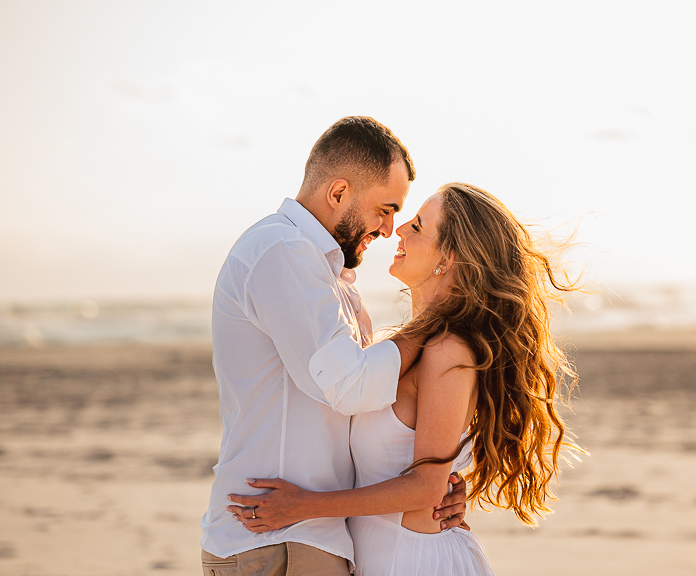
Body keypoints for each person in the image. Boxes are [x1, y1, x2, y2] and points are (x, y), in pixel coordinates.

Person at [228, 183, 582, 575]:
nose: (398, 230)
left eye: (417, 226)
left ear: (447, 258)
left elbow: (426, 487)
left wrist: (303, 506)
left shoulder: (449, 351)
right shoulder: (404, 347)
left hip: (416, 561)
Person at [200, 118, 467, 576]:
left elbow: (366, 424)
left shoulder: (326, 272)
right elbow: (350, 385)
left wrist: (439, 485)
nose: (390, 229)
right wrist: (430, 322)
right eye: (384, 209)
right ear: (339, 192)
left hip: (306, 537)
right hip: (276, 539)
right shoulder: (282, 251)